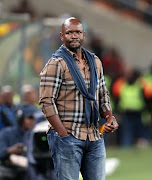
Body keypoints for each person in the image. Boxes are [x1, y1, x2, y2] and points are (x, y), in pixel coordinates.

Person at [39, 17, 118, 180]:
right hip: (68, 134)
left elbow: (102, 93)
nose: (74, 36)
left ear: (84, 35)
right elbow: (46, 101)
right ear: (62, 36)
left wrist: (109, 117)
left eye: (77, 32)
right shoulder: (56, 63)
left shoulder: (95, 61)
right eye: (69, 33)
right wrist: (63, 134)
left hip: (94, 134)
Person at [0, 105, 35, 180]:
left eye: (34, 118)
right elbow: (1, 152)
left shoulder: (35, 134)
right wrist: (10, 151)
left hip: (31, 170)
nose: (32, 121)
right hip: (10, 170)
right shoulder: (6, 133)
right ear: (21, 118)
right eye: (29, 118)